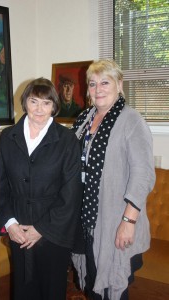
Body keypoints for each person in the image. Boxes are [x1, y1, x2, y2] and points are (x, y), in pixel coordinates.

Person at [71, 59, 156, 300]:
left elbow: (143, 174)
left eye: (105, 82)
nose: (98, 89)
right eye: (93, 83)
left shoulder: (131, 120)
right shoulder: (84, 119)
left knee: (112, 288)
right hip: (87, 220)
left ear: (119, 85)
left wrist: (128, 220)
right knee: (94, 286)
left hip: (116, 220)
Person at [0, 77, 82, 300]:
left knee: (51, 291)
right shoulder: (7, 137)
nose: (39, 109)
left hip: (53, 233)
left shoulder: (67, 140)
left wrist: (40, 228)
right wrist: (10, 223)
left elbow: (71, 193)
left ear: (54, 106)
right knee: (23, 291)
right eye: (34, 102)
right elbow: (0, 186)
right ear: (25, 103)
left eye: (46, 103)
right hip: (18, 231)